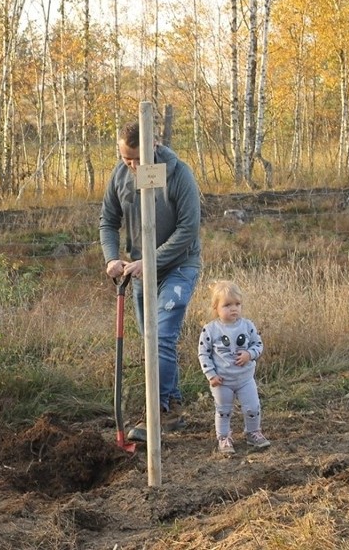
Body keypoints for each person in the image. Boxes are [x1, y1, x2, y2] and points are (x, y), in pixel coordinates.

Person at [100, 121, 202, 443]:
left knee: (160, 337)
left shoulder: (179, 174)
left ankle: (155, 412)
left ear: (152, 146)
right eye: (125, 158)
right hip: (140, 269)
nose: (129, 165)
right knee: (150, 341)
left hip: (179, 266)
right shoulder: (120, 175)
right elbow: (108, 221)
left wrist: (152, 259)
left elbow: (188, 230)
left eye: (134, 159)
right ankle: (172, 406)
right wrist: (112, 258)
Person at [198, 280, 271, 456]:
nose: (234, 309)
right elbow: (203, 354)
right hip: (222, 381)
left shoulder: (247, 326)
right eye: (227, 305)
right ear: (216, 307)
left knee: (253, 407)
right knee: (223, 410)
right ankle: (223, 438)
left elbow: (258, 345)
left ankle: (253, 433)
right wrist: (211, 375)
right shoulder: (210, 330)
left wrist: (250, 354)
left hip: (245, 379)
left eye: (237, 304)